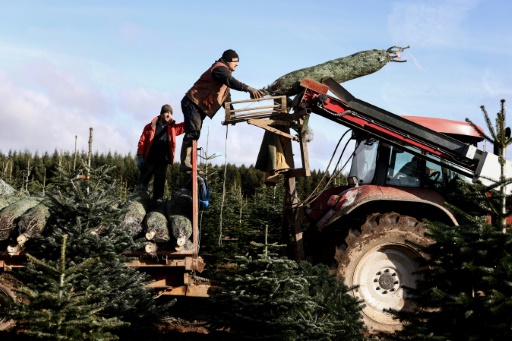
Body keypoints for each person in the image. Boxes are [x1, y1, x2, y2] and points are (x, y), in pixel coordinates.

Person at [179, 49, 264, 172]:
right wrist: (248, 88)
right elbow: (231, 81)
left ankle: (189, 163)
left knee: (195, 133)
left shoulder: (224, 73)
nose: (237, 64)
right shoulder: (219, 69)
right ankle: (186, 163)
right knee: (193, 132)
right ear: (228, 60)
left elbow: (226, 96)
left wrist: (231, 114)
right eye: (235, 61)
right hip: (192, 102)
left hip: (198, 106)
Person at [136, 104, 185, 201]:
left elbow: (184, 126)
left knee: (159, 187)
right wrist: (140, 155)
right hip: (150, 159)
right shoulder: (150, 127)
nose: (169, 115)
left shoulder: (172, 128)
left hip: (163, 161)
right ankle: (136, 200)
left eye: (170, 113)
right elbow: (142, 141)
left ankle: (157, 204)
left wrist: (192, 116)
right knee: (142, 184)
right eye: (167, 112)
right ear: (161, 113)